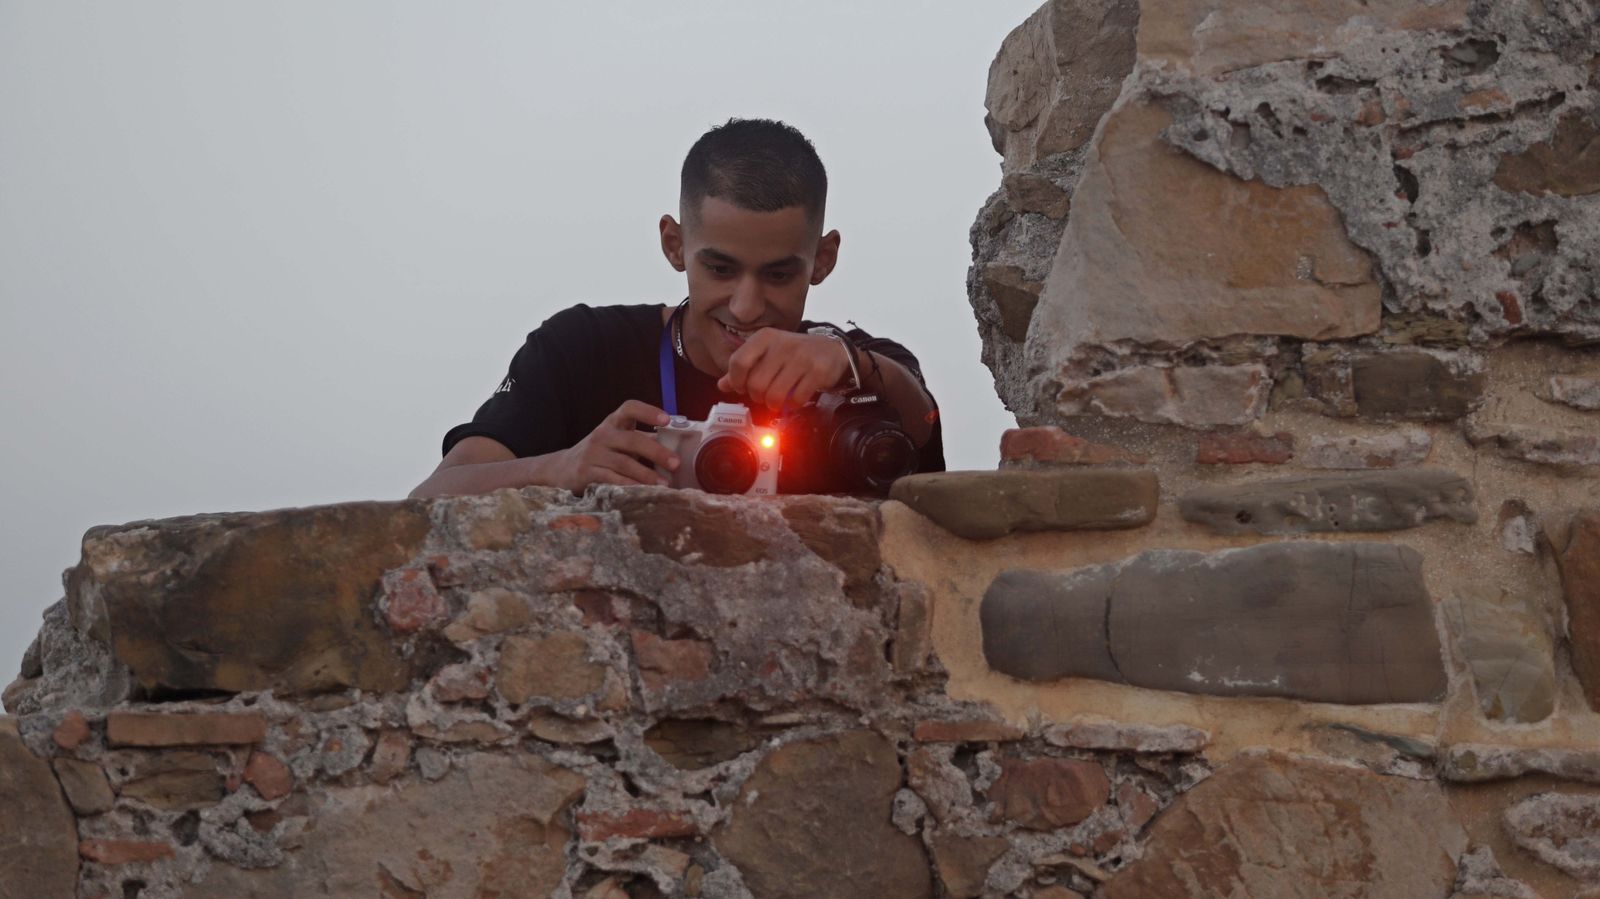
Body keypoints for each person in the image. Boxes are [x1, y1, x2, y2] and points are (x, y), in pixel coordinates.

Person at [409, 118, 945, 499]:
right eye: (720, 269)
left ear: (823, 260)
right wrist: (564, 466)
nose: (747, 305)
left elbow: (921, 420)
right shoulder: (581, 347)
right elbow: (434, 494)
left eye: (779, 274)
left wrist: (853, 364)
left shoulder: (860, 366)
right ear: (673, 244)